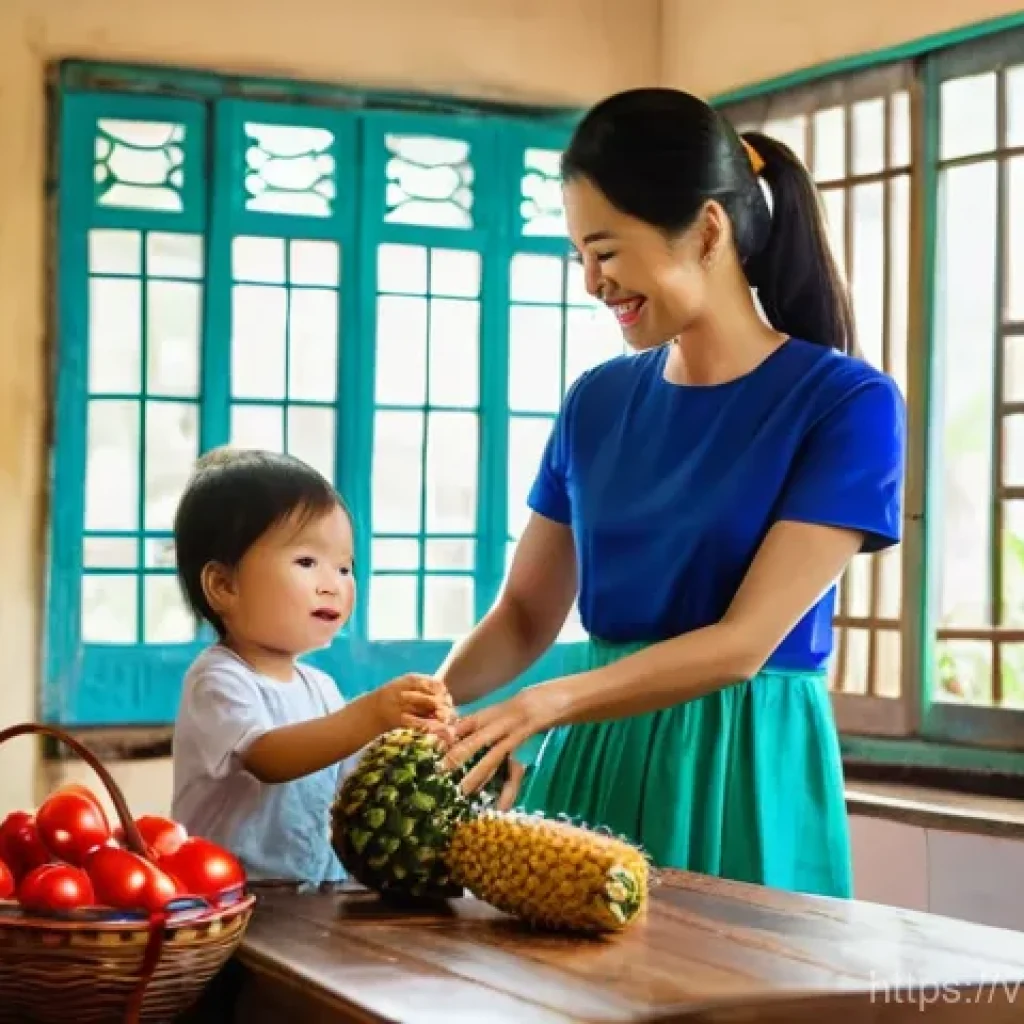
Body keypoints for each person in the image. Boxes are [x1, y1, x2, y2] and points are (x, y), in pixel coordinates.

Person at [433, 87, 906, 898]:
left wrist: (546, 703)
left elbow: (742, 644)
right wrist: (428, 713)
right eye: (579, 254)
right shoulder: (596, 400)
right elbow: (523, 616)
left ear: (708, 230)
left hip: (741, 765)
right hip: (591, 753)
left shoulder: (846, 403)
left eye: (607, 251)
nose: (591, 281)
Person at [170, 448, 454, 885]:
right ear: (224, 585)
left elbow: (352, 775)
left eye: (345, 567)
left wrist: (413, 736)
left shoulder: (319, 687)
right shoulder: (219, 679)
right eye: (307, 562)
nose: (333, 585)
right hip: (228, 904)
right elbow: (269, 758)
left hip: (314, 893)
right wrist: (370, 713)